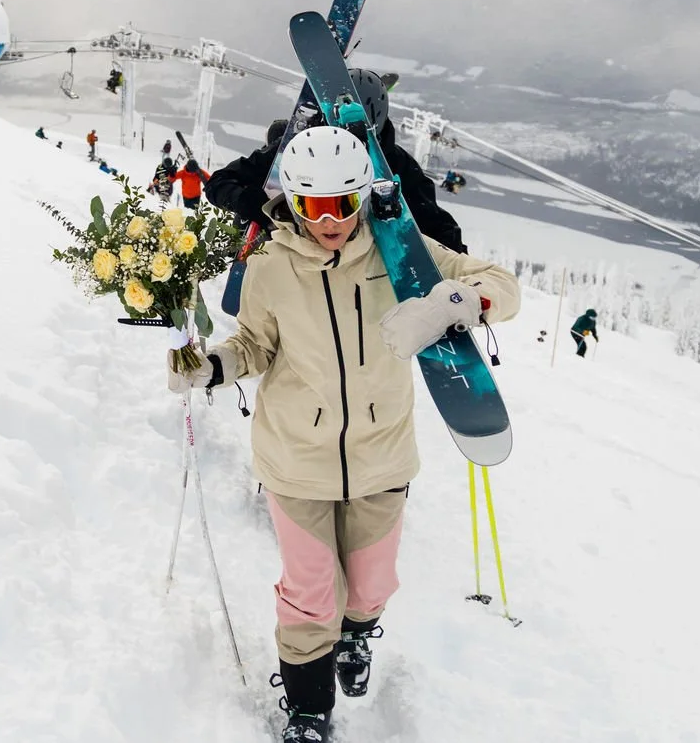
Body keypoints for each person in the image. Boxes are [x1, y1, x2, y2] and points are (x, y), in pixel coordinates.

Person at [172, 126, 519, 741]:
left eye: (342, 204)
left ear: (362, 195)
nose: (328, 221)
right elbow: (254, 344)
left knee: (370, 586)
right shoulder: (270, 266)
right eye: (312, 206)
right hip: (295, 458)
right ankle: (308, 712)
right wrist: (211, 367)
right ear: (292, 202)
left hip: (382, 454)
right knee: (311, 594)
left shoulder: (401, 251)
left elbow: (502, 283)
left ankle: (357, 635)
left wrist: (452, 303)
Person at [207, 69, 465, 259]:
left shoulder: (397, 164)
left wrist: (458, 264)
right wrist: (248, 202)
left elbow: (433, 222)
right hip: (300, 264)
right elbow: (219, 182)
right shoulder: (300, 149)